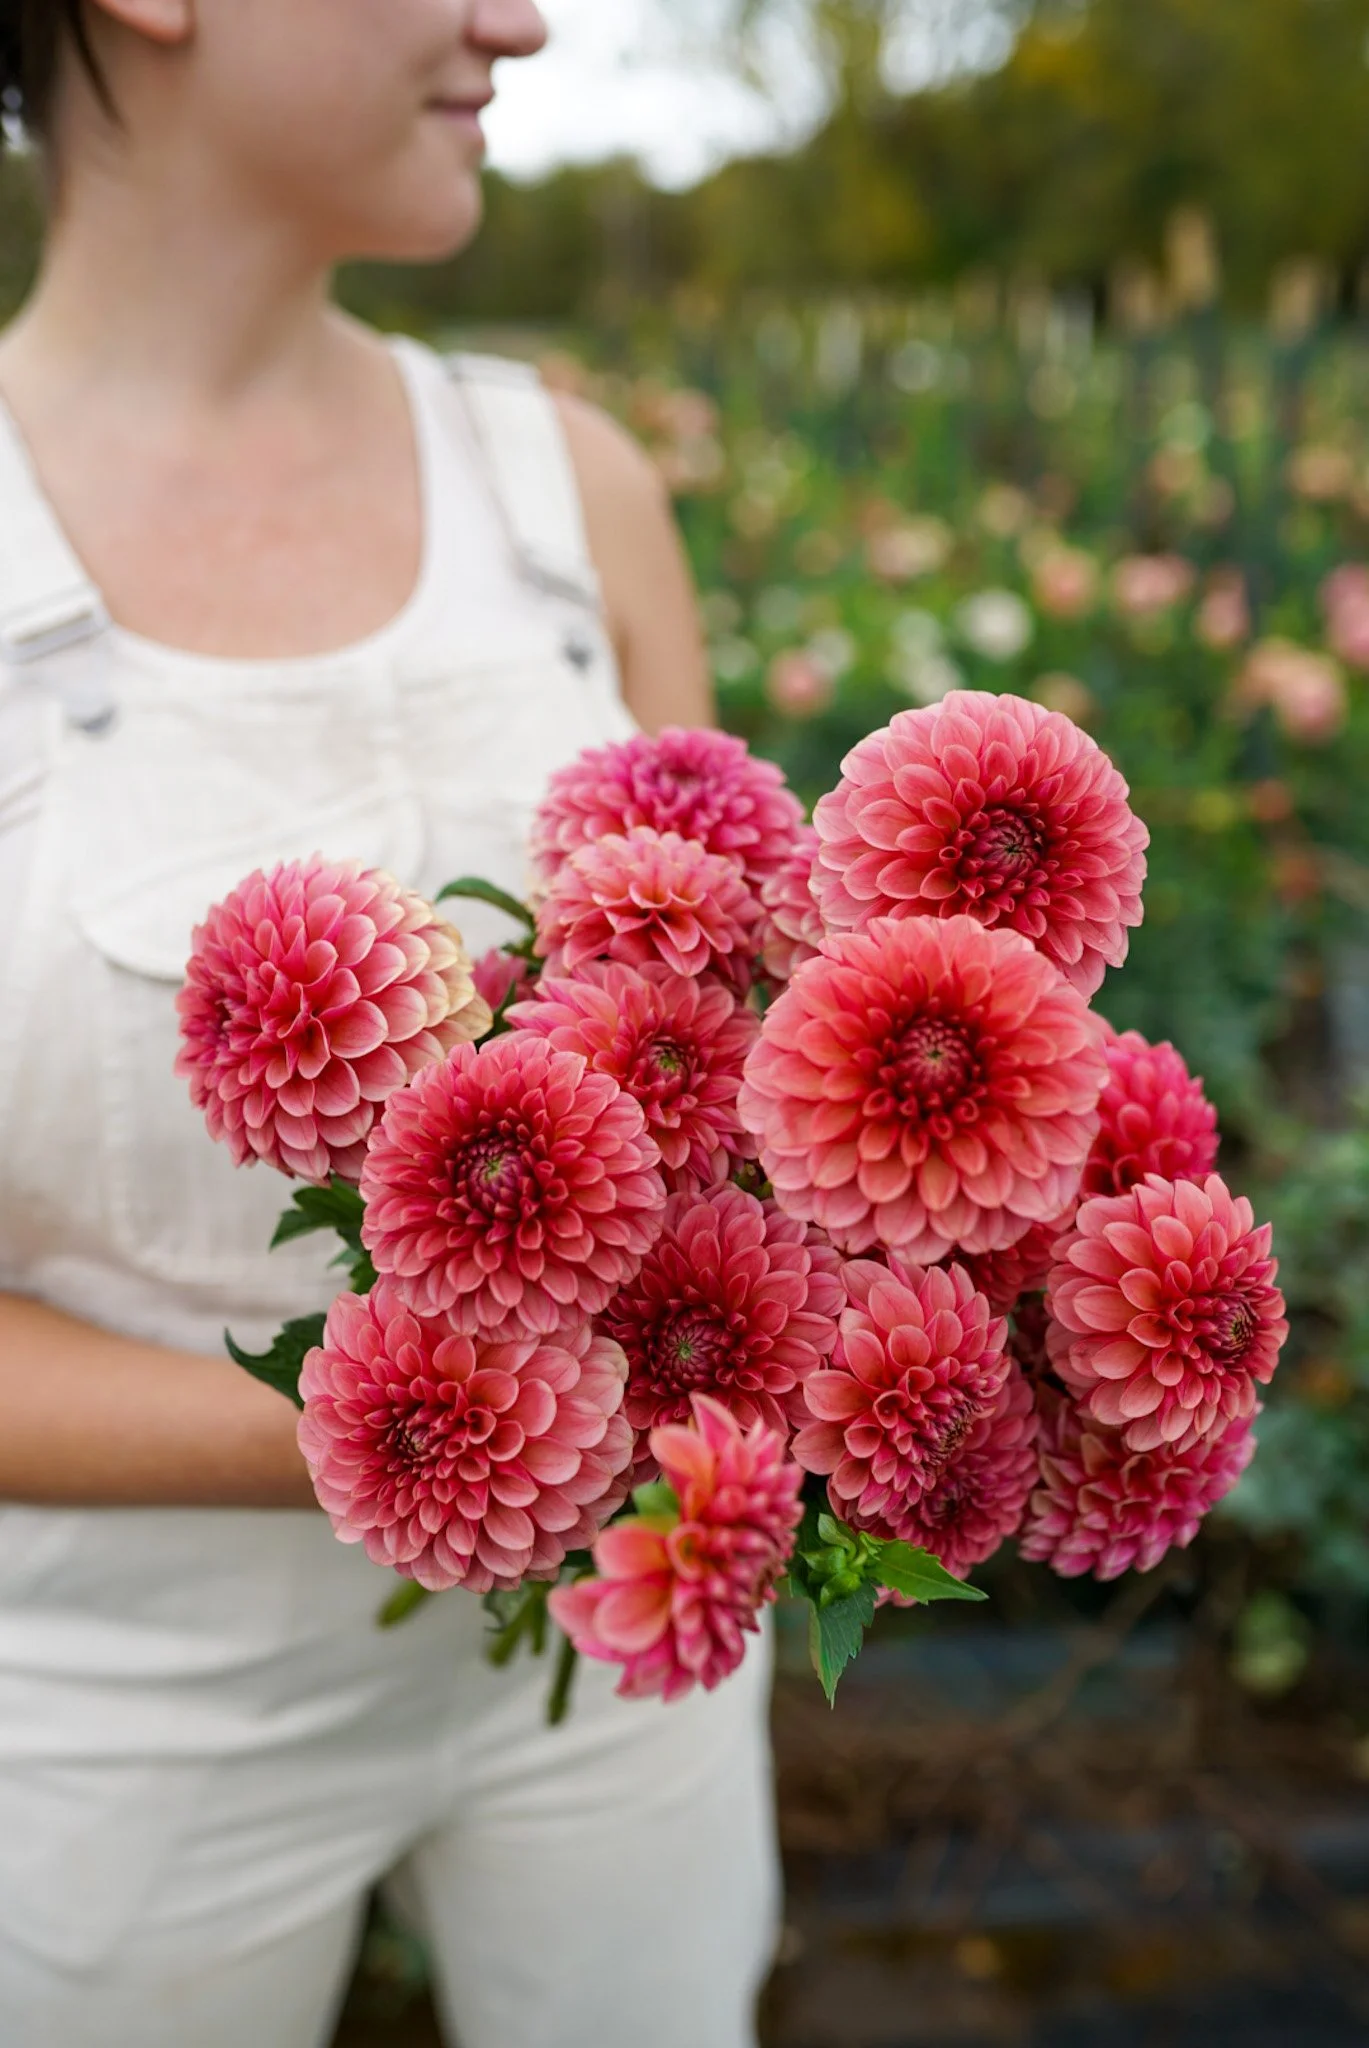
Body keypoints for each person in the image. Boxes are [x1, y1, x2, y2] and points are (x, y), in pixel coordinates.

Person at [0, 5, 779, 2044]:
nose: (523, 17)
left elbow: (738, 1055)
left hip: (629, 1654)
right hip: (115, 1720)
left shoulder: (572, 489)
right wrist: (418, 1435)